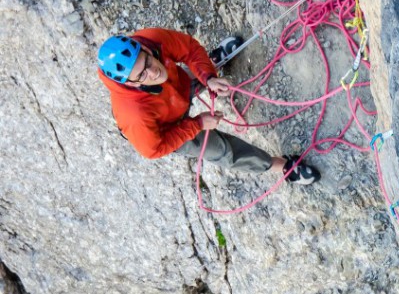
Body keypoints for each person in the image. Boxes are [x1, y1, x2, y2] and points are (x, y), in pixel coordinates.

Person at [97, 28, 320, 183]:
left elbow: (189, 49)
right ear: (129, 82)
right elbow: (154, 149)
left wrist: (208, 77)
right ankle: (282, 167)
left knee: (201, 69)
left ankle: (213, 62)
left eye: (147, 61)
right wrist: (197, 124)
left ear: (142, 48)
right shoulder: (134, 115)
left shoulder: (151, 40)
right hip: (170, 130)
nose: (153, 71)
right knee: (223, 152)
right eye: (142, 74)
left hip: (179, 86)